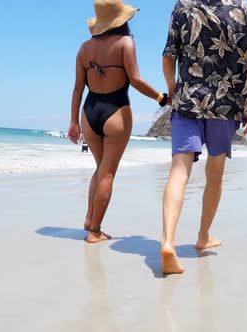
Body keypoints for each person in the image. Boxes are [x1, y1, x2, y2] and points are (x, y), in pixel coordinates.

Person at [160, 0, 247, 274]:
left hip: (187, 102)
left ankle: (168, 241)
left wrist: (173, 91)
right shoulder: (246, 9)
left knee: (178, 172)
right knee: (214, 173)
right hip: (227, 105)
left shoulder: (183, 6)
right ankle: (203, 236)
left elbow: (169, 57)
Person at [67, 0, 168, 243]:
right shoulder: (125, 43)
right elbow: (135, 80)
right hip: (116, 111)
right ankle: (95, 232)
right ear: (121, 20)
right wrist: (161, 98)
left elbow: (78, 89)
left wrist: (74, 122)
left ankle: (90, 219)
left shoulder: (83, 49)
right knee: (108, 173)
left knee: (100, 168)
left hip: (88, 112)